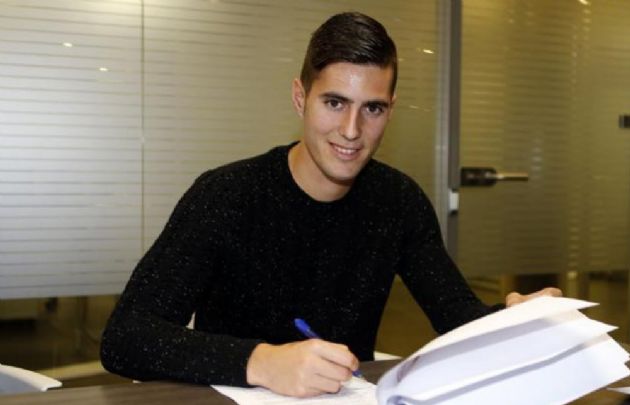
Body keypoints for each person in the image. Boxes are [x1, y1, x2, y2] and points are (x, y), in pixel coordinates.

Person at [100, 11, 561, 398]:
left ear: (390, 108)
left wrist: (515, 318)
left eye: (372, 108)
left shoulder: (398, 202)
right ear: (300, 97)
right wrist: (262, 362)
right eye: (335, 103)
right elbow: (126, 337)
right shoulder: (226, 195)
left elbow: (458, 320)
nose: (352, 131)